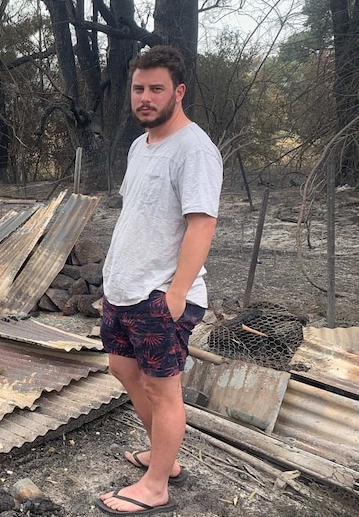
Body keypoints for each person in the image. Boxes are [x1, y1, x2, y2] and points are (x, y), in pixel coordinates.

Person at [96, 45, 223, 515]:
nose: (145, 98)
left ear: (179, 91)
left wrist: (174, 295)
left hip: (161, 293)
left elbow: (202, 224)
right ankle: (163, 460)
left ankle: (156, 485)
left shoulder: (195, 150)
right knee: (124, 371)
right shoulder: (139, 145)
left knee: (162, 390)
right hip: (124, 289)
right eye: (138, 89)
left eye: (156, 89)